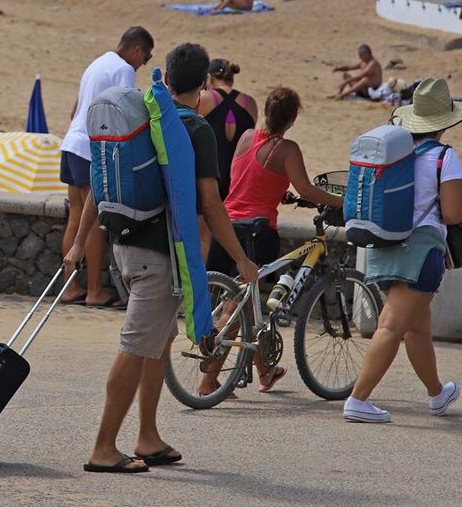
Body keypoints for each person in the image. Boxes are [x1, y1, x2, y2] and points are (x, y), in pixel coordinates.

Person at [64, 42, 258, 473]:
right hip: (158, 256)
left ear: (165, 78)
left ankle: (147, 437)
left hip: (125, 245)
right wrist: (241, 260)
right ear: (204, 84)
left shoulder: (145, 113)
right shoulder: (195, 130)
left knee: (158, 342)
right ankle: (103, 447)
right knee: (135, 346)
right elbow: (210, 203)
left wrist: (79, 242)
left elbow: (99, 179)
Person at [343, 78, 462, 424]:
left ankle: (437, 394)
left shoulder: (397, 153)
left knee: (417, 328)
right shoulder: (445, 156)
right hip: (421, 251)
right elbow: (452, 214)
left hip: (385, 244)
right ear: (444, 122)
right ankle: (358, 399)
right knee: (390, 325)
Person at [201, 87, 342, 396]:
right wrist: (340, 201)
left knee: (246, 305)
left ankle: (265, 372)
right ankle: (208, 381)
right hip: (256, 232)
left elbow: (250, 177)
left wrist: (279, 192)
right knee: (234, 307)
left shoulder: (246, 137)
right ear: (292, 119)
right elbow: (307, 190)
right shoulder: (287, 149)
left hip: (226, 225)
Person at [57, 27, 153, 308]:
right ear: (136, 50)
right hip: (91, 149)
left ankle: (70, 286)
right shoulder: (123, 69)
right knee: (95, 222)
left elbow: (74, 110)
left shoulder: (97, 63)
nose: (142, 64)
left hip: (72, 144)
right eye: (145, 59)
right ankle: (94, 291)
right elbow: (126, 111)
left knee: (75, 217)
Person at [197, 59, 258, 199]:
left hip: (209, 178)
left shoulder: (203, 98)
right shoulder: (250, 102)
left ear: (209, 78)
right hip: (238, 181)